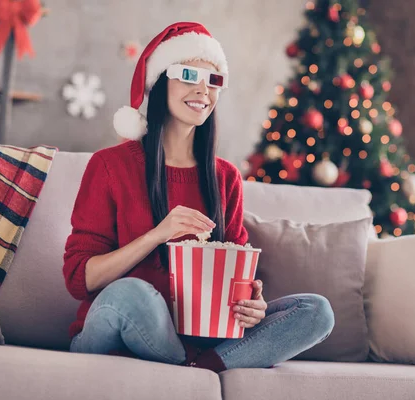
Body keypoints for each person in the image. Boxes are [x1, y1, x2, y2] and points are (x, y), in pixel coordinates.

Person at [63, 22, 335, 373]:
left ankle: (195, 368)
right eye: (189, 75)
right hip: (115, 327)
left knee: (316, 312)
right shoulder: (110, 166)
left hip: (202, 338)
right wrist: (156, 235)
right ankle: (202, 367)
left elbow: (238, 271)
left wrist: (253, 303)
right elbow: (78, 279)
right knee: (130, 293)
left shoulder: (225, 177)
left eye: (214, 80)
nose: (203, 90)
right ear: (161, 81)